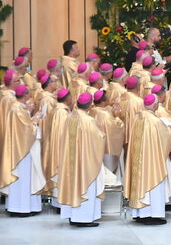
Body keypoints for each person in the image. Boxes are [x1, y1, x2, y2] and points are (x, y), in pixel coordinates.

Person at [124, 94, 171, 225]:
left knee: (140, 184)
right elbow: (167, 137)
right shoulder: (155, 121)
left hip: (140, 160)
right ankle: (151, 215)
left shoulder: (138, 118)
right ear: (155, 105)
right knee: (152, 185)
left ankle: (139, 213)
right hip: (151, 161)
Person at [55, 92, 105, 227]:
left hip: (71, 161)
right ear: (90, 105)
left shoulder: (70, 117)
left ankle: (72, 216)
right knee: (85, 186)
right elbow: (98, 139)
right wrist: (102, 132)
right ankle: (84, 219)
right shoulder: (88, 121)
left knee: (73, 185)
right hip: (84, 163)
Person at [1, 85, 44, 215]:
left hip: (19, 148)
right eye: (28, 95)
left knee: (22, 180)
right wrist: (36, 119)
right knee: (23, 179)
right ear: (25, 96)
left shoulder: (18, 109)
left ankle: (18, 206)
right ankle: (21, 208)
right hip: (22, 152)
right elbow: (27, 131)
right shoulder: (18, 110)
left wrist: (31, 116)